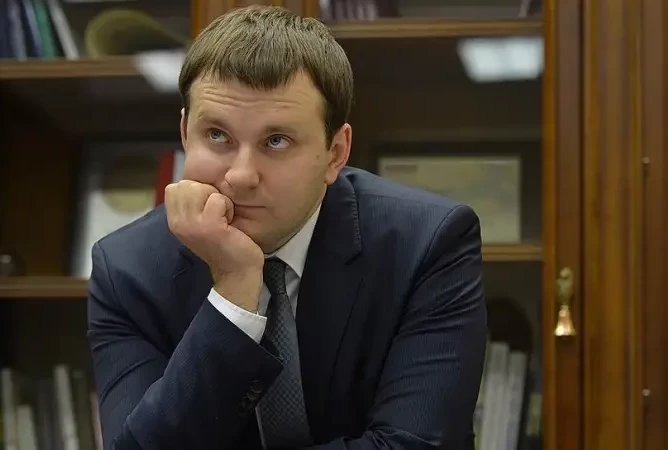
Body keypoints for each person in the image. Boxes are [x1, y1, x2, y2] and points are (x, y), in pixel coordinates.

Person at [87, 5, 487, 450]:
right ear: (184, 133)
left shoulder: (427, 243)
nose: (241, 176)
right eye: (217, 135)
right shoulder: (127, 270)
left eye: (276, 141)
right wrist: (234, 292)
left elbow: (414, 445)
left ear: (335, 153)